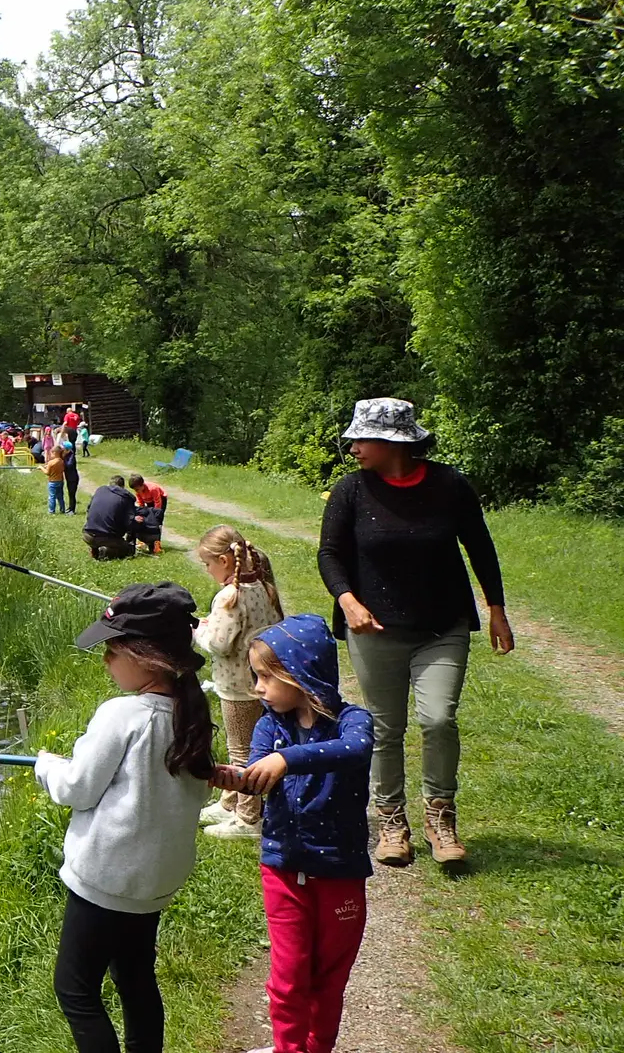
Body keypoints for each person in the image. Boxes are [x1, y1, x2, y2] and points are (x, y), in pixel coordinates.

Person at [318, 397, 512, 866]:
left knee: (438, 718)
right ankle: (391, 821)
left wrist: (496, 608)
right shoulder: (351, 491)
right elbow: (329, 554)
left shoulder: (450, 486)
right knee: (386, 728)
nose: (353, 446)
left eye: (361, 438)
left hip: (442, 626)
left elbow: (479, 546)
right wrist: (348, 600)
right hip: (375, 629)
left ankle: (440, 816)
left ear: (393, 442)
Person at [37, 583, 218, 1053]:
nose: (105, 661)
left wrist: (46, 765)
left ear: (146, 656)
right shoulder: (191, 712)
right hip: (153, 882)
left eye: (112, 650)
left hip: (107, 879)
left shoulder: (121, 715)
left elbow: (76, 788)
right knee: (136, 976)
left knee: (75, 989)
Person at [215, 614, 374, 1053]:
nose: (258, 687)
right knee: (287, 980)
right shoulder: (270, 724)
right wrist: (230, 777)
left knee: (328, 979)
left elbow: (356, 750)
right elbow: (257, 774)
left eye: (266, 676)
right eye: (255, 675)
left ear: (301, 675)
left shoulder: (351, 721)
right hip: (283, 869)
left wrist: (290, 760)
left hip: (340, 871)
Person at [193, 525, 285, 839]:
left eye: (207, 564)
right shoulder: (261, 585)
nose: (206, 570)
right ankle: (229, 801)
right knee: (248, 743)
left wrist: (199, 631)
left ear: (223, 560)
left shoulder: (229, 596)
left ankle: (248, 818)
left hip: (236, 686)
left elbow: (219, 644)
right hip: (260, 681)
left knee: (242, 751)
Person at [83, 475, 137, 559]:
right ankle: (104, 552)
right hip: (106, 537)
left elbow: (89, 509)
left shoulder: (100, 491)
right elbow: (129, 522)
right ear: (122, 486)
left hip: (87, 535)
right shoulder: (126, 498)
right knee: (129, 550)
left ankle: (94, 548)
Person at [129, 474, 168, 554]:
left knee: (157, 522)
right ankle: (144, 541)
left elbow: (158, 503)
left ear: (142, 485)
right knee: (145, 519)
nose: (136, 491)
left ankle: (157, 544)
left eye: (137, 489)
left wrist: (156, 515)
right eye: (135, 490)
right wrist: (142, 512)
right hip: (149, 501)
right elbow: (141, 503)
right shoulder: (138, 492)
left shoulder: (153, 489)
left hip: (160, 501)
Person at [61, 429, 82, 512]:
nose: (63, 450)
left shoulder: (71, 456)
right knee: (70, 493)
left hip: (73, 478)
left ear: (68, 449)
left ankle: (72, 510)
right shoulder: (67, 455)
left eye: (64, 449)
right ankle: (70, 508)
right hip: (69, 478)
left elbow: (69, 465)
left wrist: (63, 462)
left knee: (72, 494)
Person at [46, 443, 68, 513]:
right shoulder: (62, 461)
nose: (51, 455)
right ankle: (62, 509)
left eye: (51, 454)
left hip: (52, 482)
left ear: (54, 453)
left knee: (52, 497)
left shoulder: (51, 462)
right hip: (60, 481)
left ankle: (51, 511)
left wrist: (40, 468)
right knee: (60, 497)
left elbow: (47, 473)